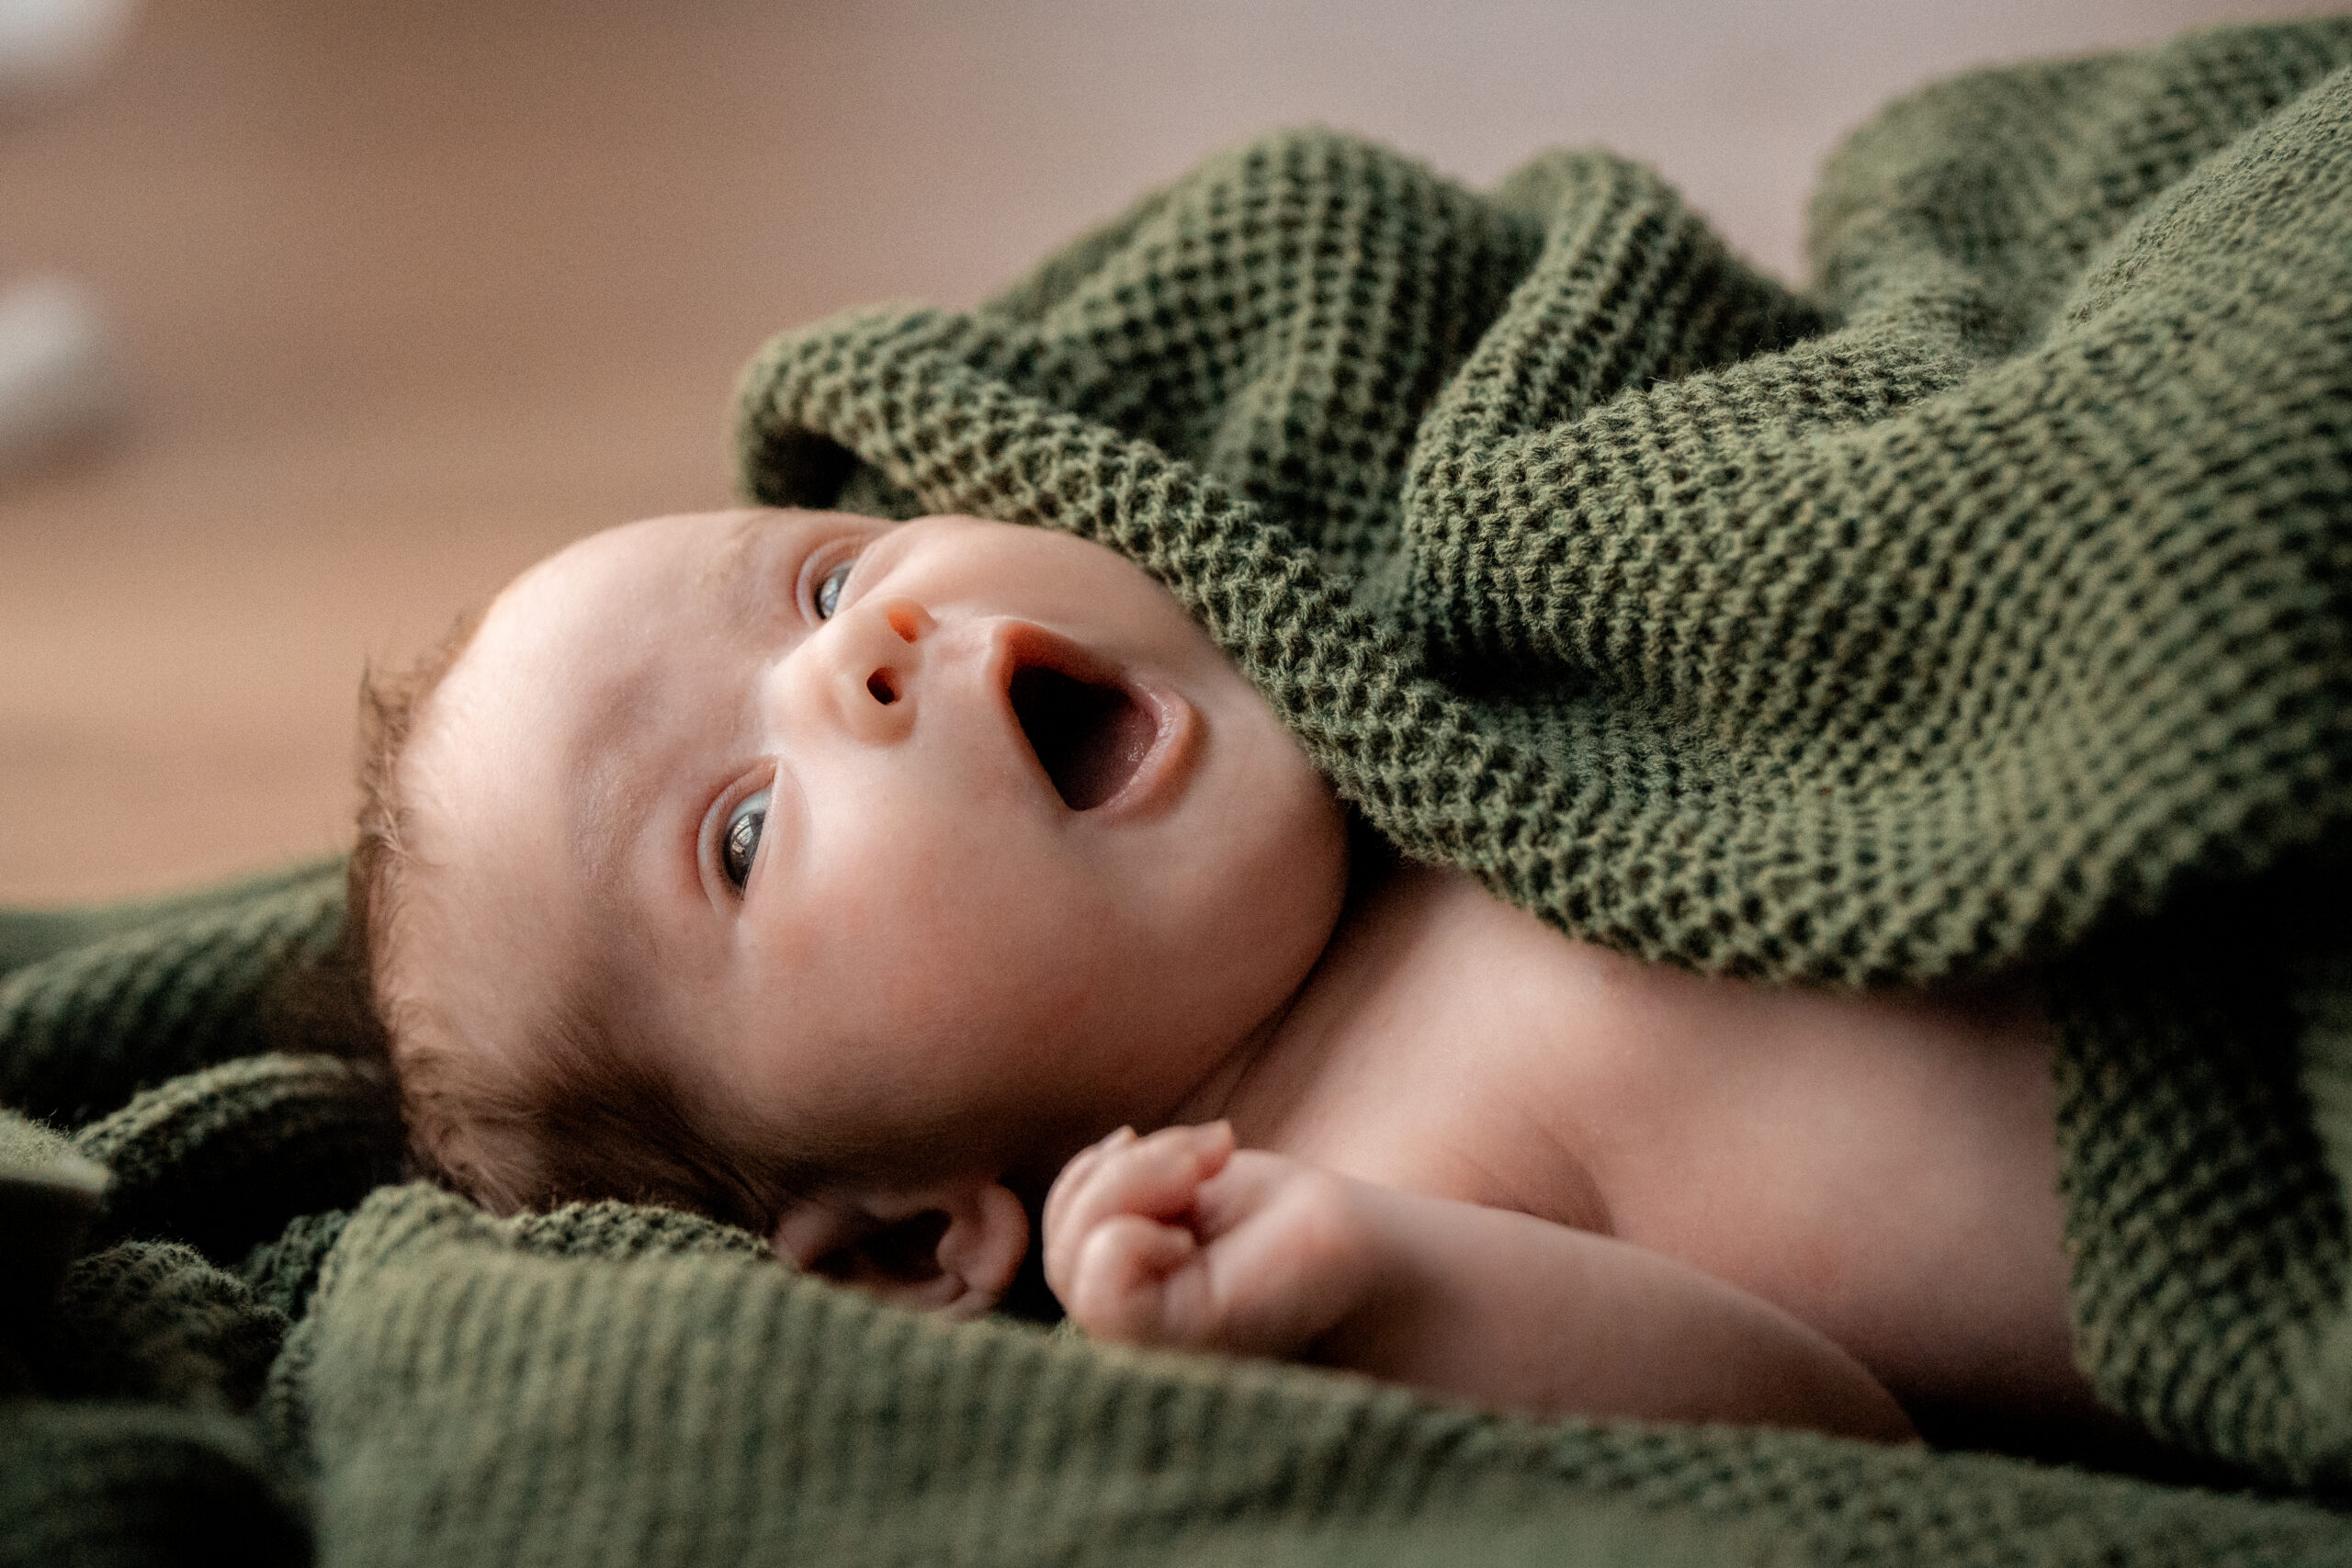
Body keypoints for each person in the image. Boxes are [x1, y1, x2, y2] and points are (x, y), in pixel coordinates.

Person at [354, 502, 2122, 1453]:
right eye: (739, 834)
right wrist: (1381, 1290)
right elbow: (1828, 1445)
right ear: (911, 1238)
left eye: (822, 574)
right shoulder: (1315, 1211)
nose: (863, 652)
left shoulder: (1445, 712)